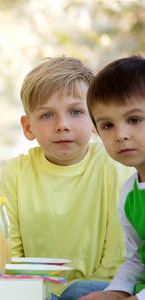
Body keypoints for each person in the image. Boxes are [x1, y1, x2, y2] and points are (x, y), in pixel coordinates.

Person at [0, 57, 134, 300]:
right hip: (36, 290)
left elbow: (119, 255)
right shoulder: (16, 172)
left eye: (76, 112)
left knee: (76, 292)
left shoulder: (113, 166)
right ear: (28, 127)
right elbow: (10, 254)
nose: (63, 125)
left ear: (95, 120)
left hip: (99, 288)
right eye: (47, 115)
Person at [78, 56, 145, 300]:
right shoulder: (130, 193)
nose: (121, 135)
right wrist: (114, 292)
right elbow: (136, 259)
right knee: (79, 293)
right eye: (107, 125)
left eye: (134, 120)